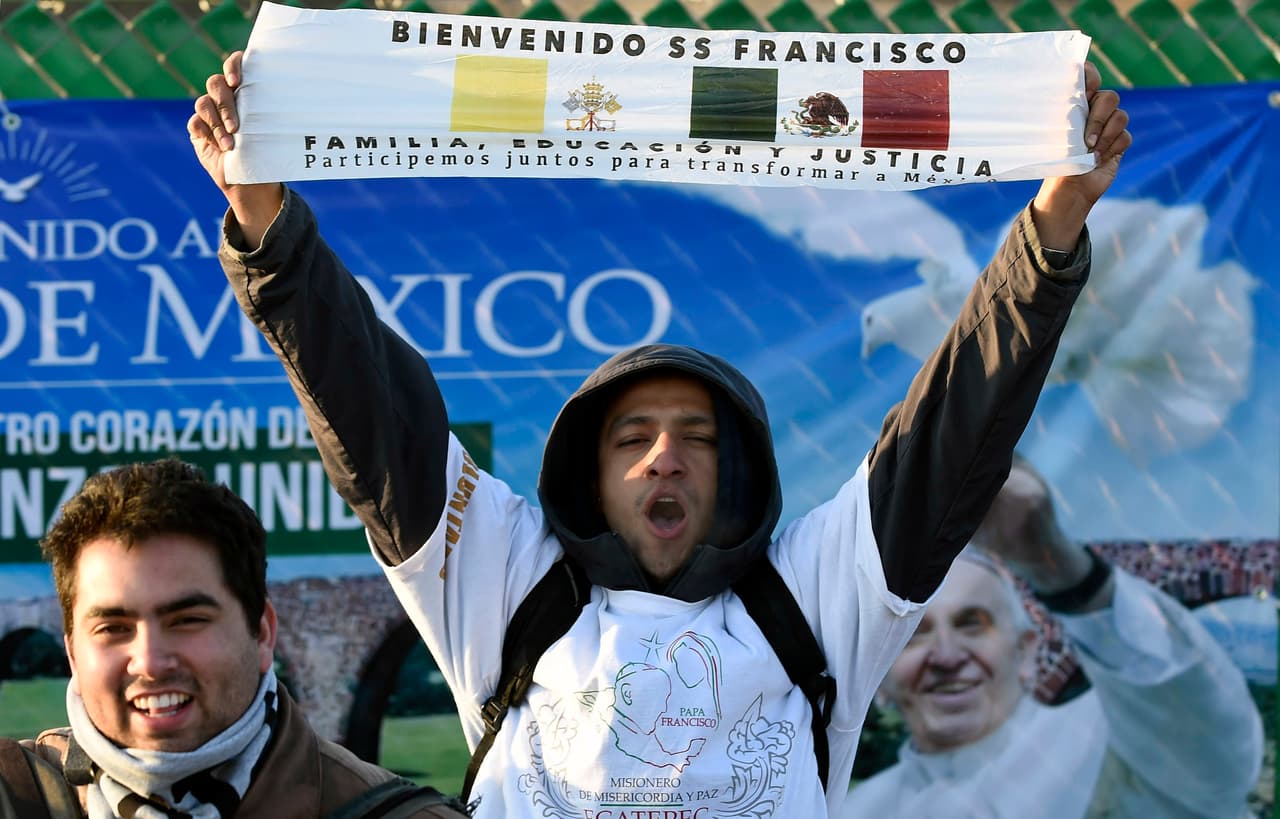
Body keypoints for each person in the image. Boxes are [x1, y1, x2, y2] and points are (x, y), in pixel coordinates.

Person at [189, 49, 1130, 817]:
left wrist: (1051, 232)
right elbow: (374, 413)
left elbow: (948, 439)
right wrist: (265, 222)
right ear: (588, 475)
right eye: (631, 436)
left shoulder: (813, 594)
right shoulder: (507, 583)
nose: (664, 456)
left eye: (699, 437)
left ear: (740, 474)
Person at [5, 459, 469, 819]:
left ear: (262, 631)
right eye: (113, 628)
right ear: (72, 652)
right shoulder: (14, 794)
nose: (149, 661)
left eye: (187, 620)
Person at [843, 459, 1264, 818]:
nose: (948, 655)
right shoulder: (849, 810)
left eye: (974, 623)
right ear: (876, 676)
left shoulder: (1114, 735)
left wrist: (1054, 565)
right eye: (914, 636)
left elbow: (1215, 752)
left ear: (1027, 652)